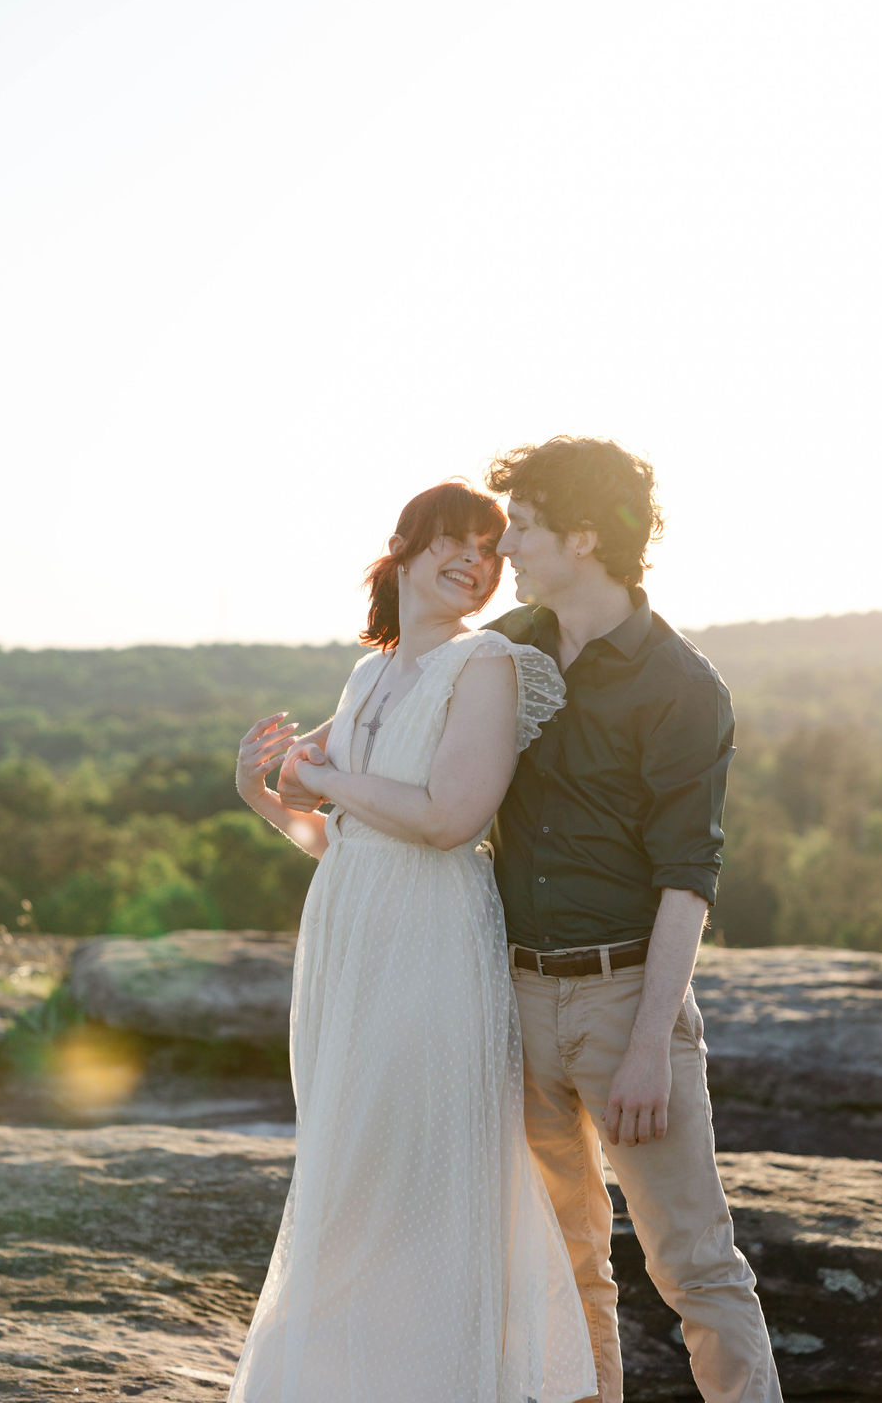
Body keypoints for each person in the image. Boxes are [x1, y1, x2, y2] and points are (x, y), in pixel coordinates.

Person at [229, 481, 597, 1403]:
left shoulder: (488, 667)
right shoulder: (369, 673)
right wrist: (268, 799)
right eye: (455, 543)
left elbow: (446, 820)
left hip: (435, 945)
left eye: (491, 551)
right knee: (348, 1171)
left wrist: (321, 776)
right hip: (351, 941)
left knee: (417, 1176)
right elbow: (341, 835)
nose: (476, 564)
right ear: (403, 546)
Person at [483, 436, 783, 1403]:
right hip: (513, 1001)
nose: (507, 550)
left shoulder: (681, 685)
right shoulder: (499, 654)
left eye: (522, 530)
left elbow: (689, 878)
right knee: (563, 1270)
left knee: (695, 1268)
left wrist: (653, 1041)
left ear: (582, 536)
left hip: (627, 1005)